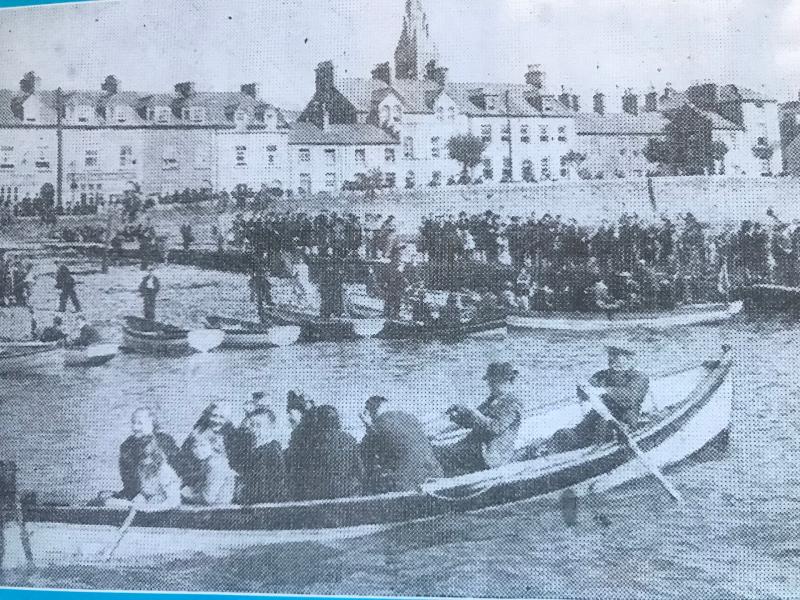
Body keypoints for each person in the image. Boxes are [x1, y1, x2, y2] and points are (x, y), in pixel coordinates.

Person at [547, 345, 650, 453]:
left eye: (616, 354)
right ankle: (546, 454)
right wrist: (582, 388)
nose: (611, 358)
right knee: (563, 434)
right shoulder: (602, 375)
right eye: (611, 354)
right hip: (593, 419)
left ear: (629, 358)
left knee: (602, 426)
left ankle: (590, 454)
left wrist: (604, 390)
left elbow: (631, 397)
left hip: (623, 423)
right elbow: (586, 391)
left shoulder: (639, 377)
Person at [437, 362, 523, 476]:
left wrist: (473, 411)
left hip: (491, 454)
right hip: (476, 447)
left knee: (440, 454)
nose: (490, 385)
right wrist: (456, 416)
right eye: (490, 382)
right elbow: (471, 421)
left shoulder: (513, 404)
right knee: (439, 450)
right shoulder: (492, 400)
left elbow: (495, 428)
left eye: (494, 382)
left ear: (507, 381)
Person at [360, 396, 443, 493]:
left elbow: (364, 455)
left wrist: (368, 426)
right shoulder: (411, 418)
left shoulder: (377, 427)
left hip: (409, 483)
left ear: (368, 413)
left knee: (370, 480)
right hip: (436, 473)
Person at [290, 405, 363, 500]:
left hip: (321, 494)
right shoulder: (349, 439)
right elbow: (359, 469)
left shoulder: (313, 441)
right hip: (349, 492)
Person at [112, 407, 180, 502]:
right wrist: (139, 495)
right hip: (138, 495)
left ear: (152, 423)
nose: (135, 427)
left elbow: (177, 470)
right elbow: (128, 479)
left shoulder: (166, 441)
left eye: (140, 423)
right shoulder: (127, 446)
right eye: (133, 422)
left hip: (165, 495)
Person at [104, 439, 181, 512]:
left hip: (164, 511)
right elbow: (145, 493)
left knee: (154, 499)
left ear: (156, 456)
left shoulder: (165, 471)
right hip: (147, 506)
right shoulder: (140, 468)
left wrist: (150, 508)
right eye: (142, 456)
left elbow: (174, 502)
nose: (145, 461)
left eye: (148, 456)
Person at [234, 407, 288, 505]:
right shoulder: (257, 451)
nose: (254, 430)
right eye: (252, 425)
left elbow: (264, 488)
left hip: (266, 507)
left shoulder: (271, 453)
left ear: (271, 428)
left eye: (258, 425)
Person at [180, 431, 237, 505]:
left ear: (213, 445)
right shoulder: (207, 462)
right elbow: (202, 486)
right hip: (213, 508)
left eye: (202, 445)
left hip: (219, 511)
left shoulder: (215, 464)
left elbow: (208, 498)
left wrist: (187, 494)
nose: (198, 450)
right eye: (194, 446)